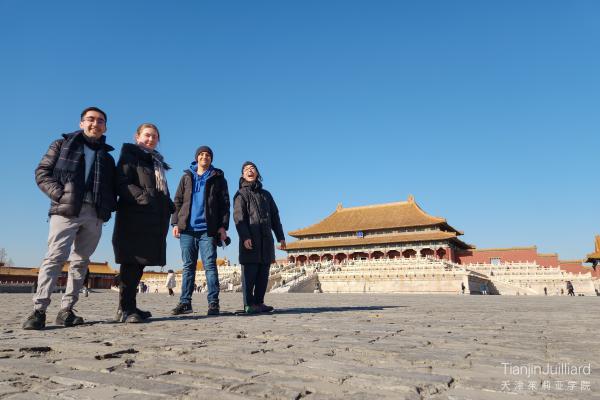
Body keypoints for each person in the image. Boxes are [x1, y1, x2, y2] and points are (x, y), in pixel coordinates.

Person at [23, 107, 117, 330]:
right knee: (55, 257)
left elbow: (113, 188)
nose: (95, 124)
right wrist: (59, 195)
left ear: (105, 126)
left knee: (81, 262)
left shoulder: (107, 157)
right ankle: (39, 309)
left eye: (101, 121)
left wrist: (106, 209)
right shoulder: (61, 145)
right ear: (81, 122)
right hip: (65, 210)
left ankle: (67, 310)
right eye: (91, 119)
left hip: (93, 213)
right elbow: (42, 172)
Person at [112, 123, 174, 323]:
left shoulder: (155, 162)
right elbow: (121, 182)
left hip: (151, 219)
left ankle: (130, 305)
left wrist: (168, 205)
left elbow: (158, 190)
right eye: (147, 135)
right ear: (137, 136)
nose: (151, 139)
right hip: (134, 217)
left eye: (154, 137)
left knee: (139, 265)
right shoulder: (130, 155)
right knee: (131, 263)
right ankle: (125, 309)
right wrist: (144, 198)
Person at [170, 146, 230, 316]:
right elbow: (177, 202)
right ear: (196, 158)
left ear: (211, 159)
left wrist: (222, 226)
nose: (205, 157)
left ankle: (213, 303)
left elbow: (225, 205)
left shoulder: (218, 179)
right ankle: (185, 302)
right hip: (187, 229)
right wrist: (175, 223)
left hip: (208, 230)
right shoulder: (186, 177)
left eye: (208, 155)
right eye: (202, 154)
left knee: (210, 266)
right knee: (188, 266)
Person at [233, 161, 285, 314]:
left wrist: (280, 236)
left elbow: (275, 217)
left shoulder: (266, 195)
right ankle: (249, 304)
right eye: (246, 169)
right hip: (250, 239)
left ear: (257, 173)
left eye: (252, 168)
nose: (249, 171)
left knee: (263, 273)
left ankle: (259, 302)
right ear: (243, 175)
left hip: (266, 240)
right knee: (250, 273)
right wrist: (245, 237)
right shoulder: (241, 194)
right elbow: (239, 217)